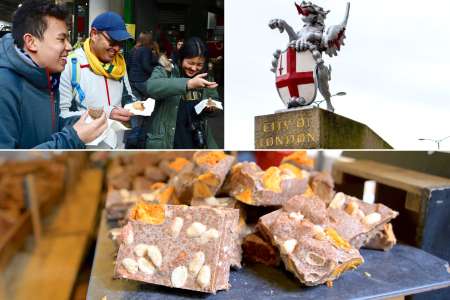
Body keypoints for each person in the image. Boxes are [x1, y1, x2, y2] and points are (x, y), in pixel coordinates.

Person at [0, 0, 107, 149]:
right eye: (61, 39)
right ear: (31, 42)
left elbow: (45, 129)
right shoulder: (4, 86)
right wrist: (73, 138)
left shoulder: (47, 77)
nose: (69, 47)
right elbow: (7, 166)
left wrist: (79, 122)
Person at [59, 11, 135, 149]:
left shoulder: (119, 64)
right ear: (94, 34)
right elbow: (62, 117)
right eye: (112, 41)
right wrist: (105, 113)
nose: (117, 48)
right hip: (86, 152)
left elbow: (127, 96)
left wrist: (133, 106)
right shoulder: (71, 65)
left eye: (120, 43)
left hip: (118, 147)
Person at [145, 37, 220, 149]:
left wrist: (212, 108)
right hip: (168, 139)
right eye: (190, 63)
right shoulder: (167, 69)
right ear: (181, 58)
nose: (194, 68)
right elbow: (151, 87)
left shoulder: (206, 76)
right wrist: (188, 84)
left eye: (199, 64)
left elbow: (214, 100)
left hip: (195, 137)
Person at [127, 31, 159, 100]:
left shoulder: (133, 49)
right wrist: (156, 71)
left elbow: (128, 64)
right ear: (148, 40)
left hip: (132, 80)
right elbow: (146, 66)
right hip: (142, 80)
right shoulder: (146, 50)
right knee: (157, 97)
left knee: (138, 103)